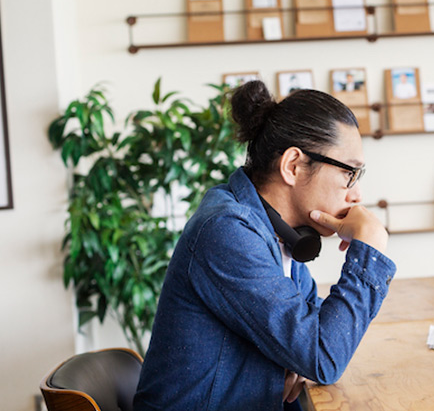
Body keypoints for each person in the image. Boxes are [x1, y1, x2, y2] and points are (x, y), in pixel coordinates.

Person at [134, 80, 396, 411]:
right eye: (349, 174)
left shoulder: (278, 230)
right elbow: (323, 354)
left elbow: (315, 339)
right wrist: (369, 249)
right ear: (294, 166)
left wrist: (300, 356)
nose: (356, 194)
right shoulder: (228, 231)